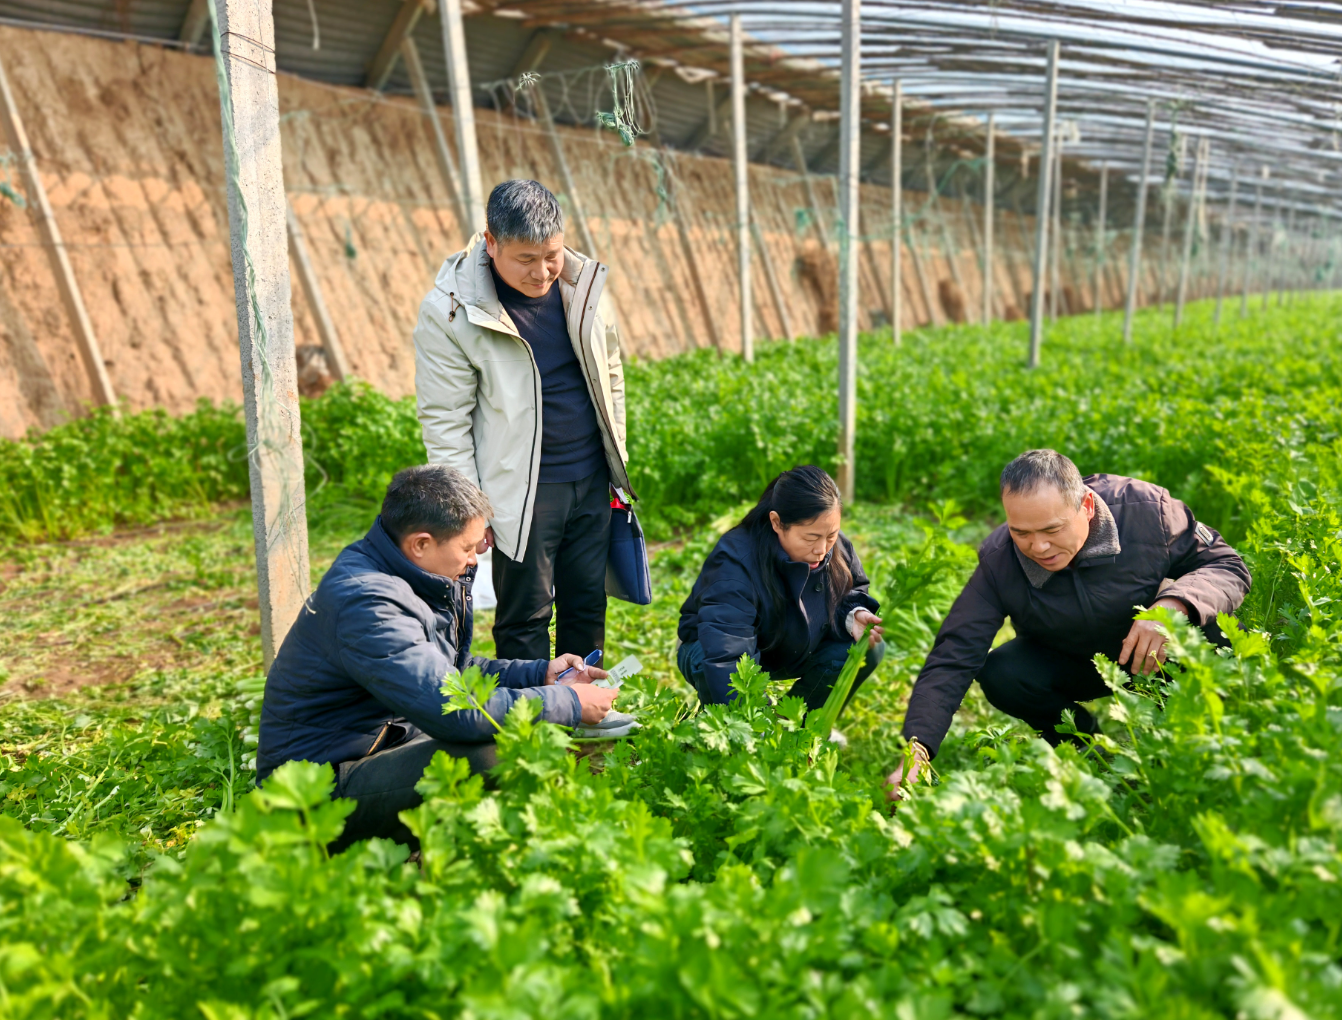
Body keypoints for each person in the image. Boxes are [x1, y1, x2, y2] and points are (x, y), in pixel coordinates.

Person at [257, 465, 619, 851]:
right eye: (466, 547)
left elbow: (448, 671)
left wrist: (539, 674)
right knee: (493, 755)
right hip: (314, 789)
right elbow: (453, 710)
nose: (474, 559)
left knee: (505, 733)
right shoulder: (368, 603)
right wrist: (568, 702)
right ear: (421, 543)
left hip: (379, 747)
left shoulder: (404, 571)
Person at [888, 449, 1250, 791]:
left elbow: (1227, 565)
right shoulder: (1000, 561)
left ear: (1087, 506)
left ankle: (1188, 735)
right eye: (1022, 533)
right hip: (1075, 661)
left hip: (1157, 654)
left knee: (1213, 628)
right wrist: (917, 748)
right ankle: (1087, 751)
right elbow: (954, 653)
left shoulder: (1145, 511)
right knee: (1002, 672)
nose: (1038, 547)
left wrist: (1173, 606)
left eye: (1051, 530)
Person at [413, 179, 631, 662]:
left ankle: (582, 707)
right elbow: (445, 421)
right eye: (526, 259)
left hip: (591, 477)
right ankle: (534, 725)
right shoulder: (452, 313)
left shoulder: (581, 285)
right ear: (491, 243)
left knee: (587, 604)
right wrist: (469, 508)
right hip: (521, 491)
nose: (542, 272)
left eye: (551, 254)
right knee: (526, 614)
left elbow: (611, 371)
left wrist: (617, 460)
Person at [678, 466, 886, 711]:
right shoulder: (735, 560)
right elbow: (727, 653)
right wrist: (759, 729)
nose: (822, 549)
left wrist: (853, 615)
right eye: (810, 538)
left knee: (864, 649)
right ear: (777, 522)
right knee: (709, 661)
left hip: (792, 648)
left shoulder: (834, 547)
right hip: (718, 649)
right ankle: (731, 726)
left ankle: (802, 729)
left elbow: (850, 592)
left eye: (831, 535)